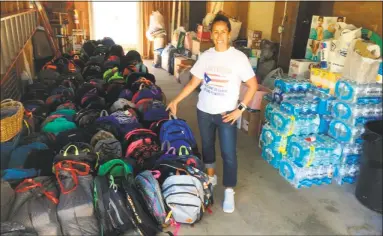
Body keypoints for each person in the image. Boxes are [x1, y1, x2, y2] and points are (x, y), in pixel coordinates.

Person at [166, 14, 258, 213]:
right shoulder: (206, 56)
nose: (219, 36)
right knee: (207, 146)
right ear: (211, 34)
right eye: (215, 32)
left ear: (229, 34)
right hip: (204, 111)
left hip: (227, 114)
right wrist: (175, 100)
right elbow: (193, 83)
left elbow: (252, 85)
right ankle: (210, 177)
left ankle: (229, 191)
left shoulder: (238, 58)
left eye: (222, 32)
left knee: (228, 154)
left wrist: (240, 109)